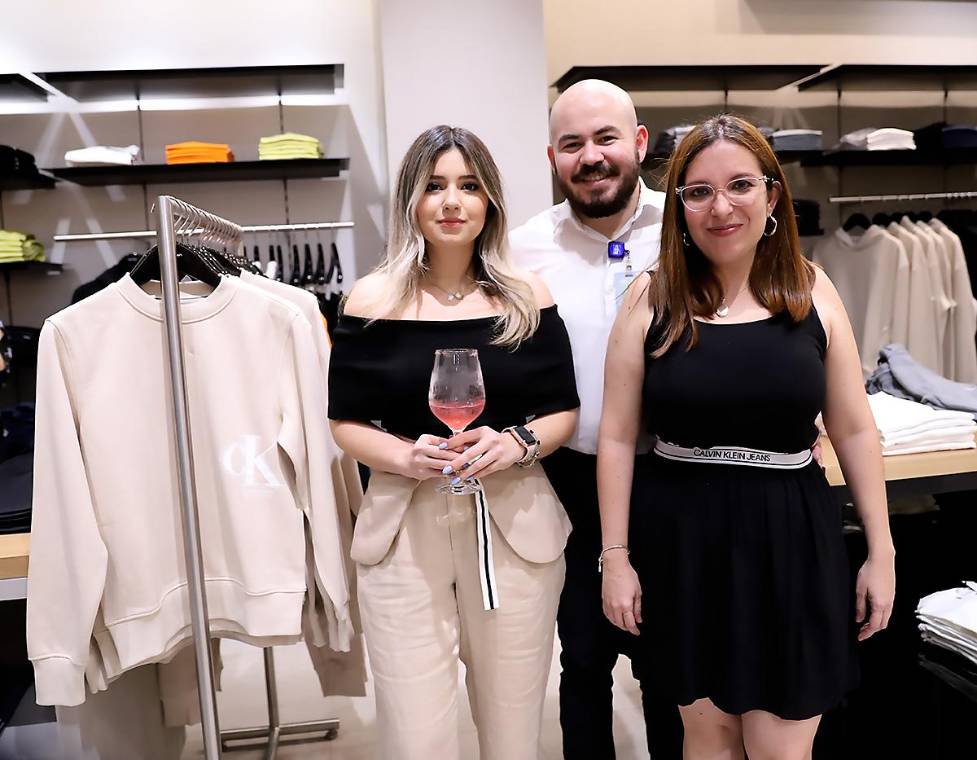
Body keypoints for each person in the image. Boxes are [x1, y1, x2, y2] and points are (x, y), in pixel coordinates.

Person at [597, 114, 896, 760]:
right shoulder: (651, 298)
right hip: (682, 541)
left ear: (771, 194)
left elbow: (852, 428)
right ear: (679, 206)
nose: (720, 206)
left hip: (791, 538)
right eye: (699, 191)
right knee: (707, 739)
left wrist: (882, 549)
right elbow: (617, 437)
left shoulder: (811, 289)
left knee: (781, 745)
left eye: (739, 185)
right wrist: (615, 557)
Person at [327, 125, 580, 760]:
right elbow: (345, 421)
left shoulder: (526, 297)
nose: (451, 202)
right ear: (410, 200)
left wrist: (518, 443)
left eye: (469, 186)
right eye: (434, 186)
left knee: (513, 730)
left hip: (514, 524)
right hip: (401, 526)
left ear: (489, 200)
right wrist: (404, 456)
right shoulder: (372, 300)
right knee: (414, 736)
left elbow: (563, 411)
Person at [510, 79, 684, 758]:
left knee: (670, 663)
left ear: (638, 142)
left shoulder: (687, 226)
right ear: (552, 158)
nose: (590, 157)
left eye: (606, 138)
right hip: (570, 481)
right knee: (583, 656)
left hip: (677, 476)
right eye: (572, 144)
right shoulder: (523, 249)